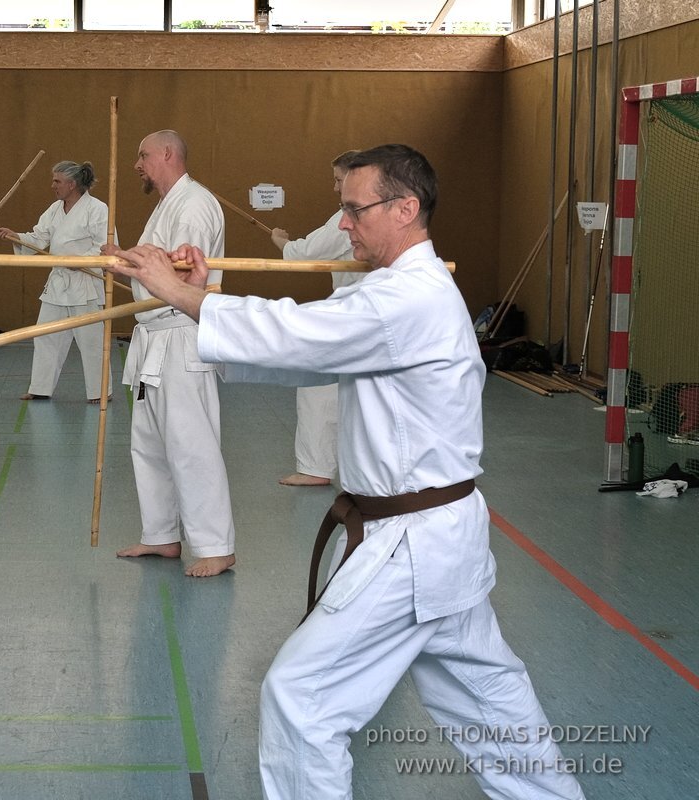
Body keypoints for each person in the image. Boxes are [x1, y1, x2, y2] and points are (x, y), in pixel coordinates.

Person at [104, 144, 586, 800]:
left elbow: (299, 334)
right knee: (491, 707)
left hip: (412, 544)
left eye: (354, 210)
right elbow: (310, 356)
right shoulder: (394, 291)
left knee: (303, 701)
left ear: (405, 208)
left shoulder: (408, 297)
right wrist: (201, 293)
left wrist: (178, 292)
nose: (344, 225)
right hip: (438, 536)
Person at [102, 130, 235, 578]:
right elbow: (151, 275)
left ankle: (216, 545)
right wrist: (119, 262)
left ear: (166, 154)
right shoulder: (167, 204)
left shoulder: (193, 205)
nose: (137, 165)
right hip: (153, 337)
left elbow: (178, 276)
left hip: (180, 334)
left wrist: (123, 259)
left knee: (191, 445)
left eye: (142, 156)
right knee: (151, 445)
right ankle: (161, 535)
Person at [270, 150, 362, 488]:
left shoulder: (348, 217)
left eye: (339, 179)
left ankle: (315, 467)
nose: (335, 187)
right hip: (365, 311)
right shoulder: (379, 209)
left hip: (353, 315)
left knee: (317, 384)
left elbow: (306, 253)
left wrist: (282, 242)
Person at [0, 160, 114, 403]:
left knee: (91, 341)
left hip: (85, 283)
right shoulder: (55, 209)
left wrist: (80, 261)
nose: (53, 186)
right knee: (46, 335)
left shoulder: (97, 209)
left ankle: (100, 392)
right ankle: (40, 387)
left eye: (57, 181)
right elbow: (39, 238)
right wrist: (16, 236)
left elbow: (105, 248)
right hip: (58, 283)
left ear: (72, 184)